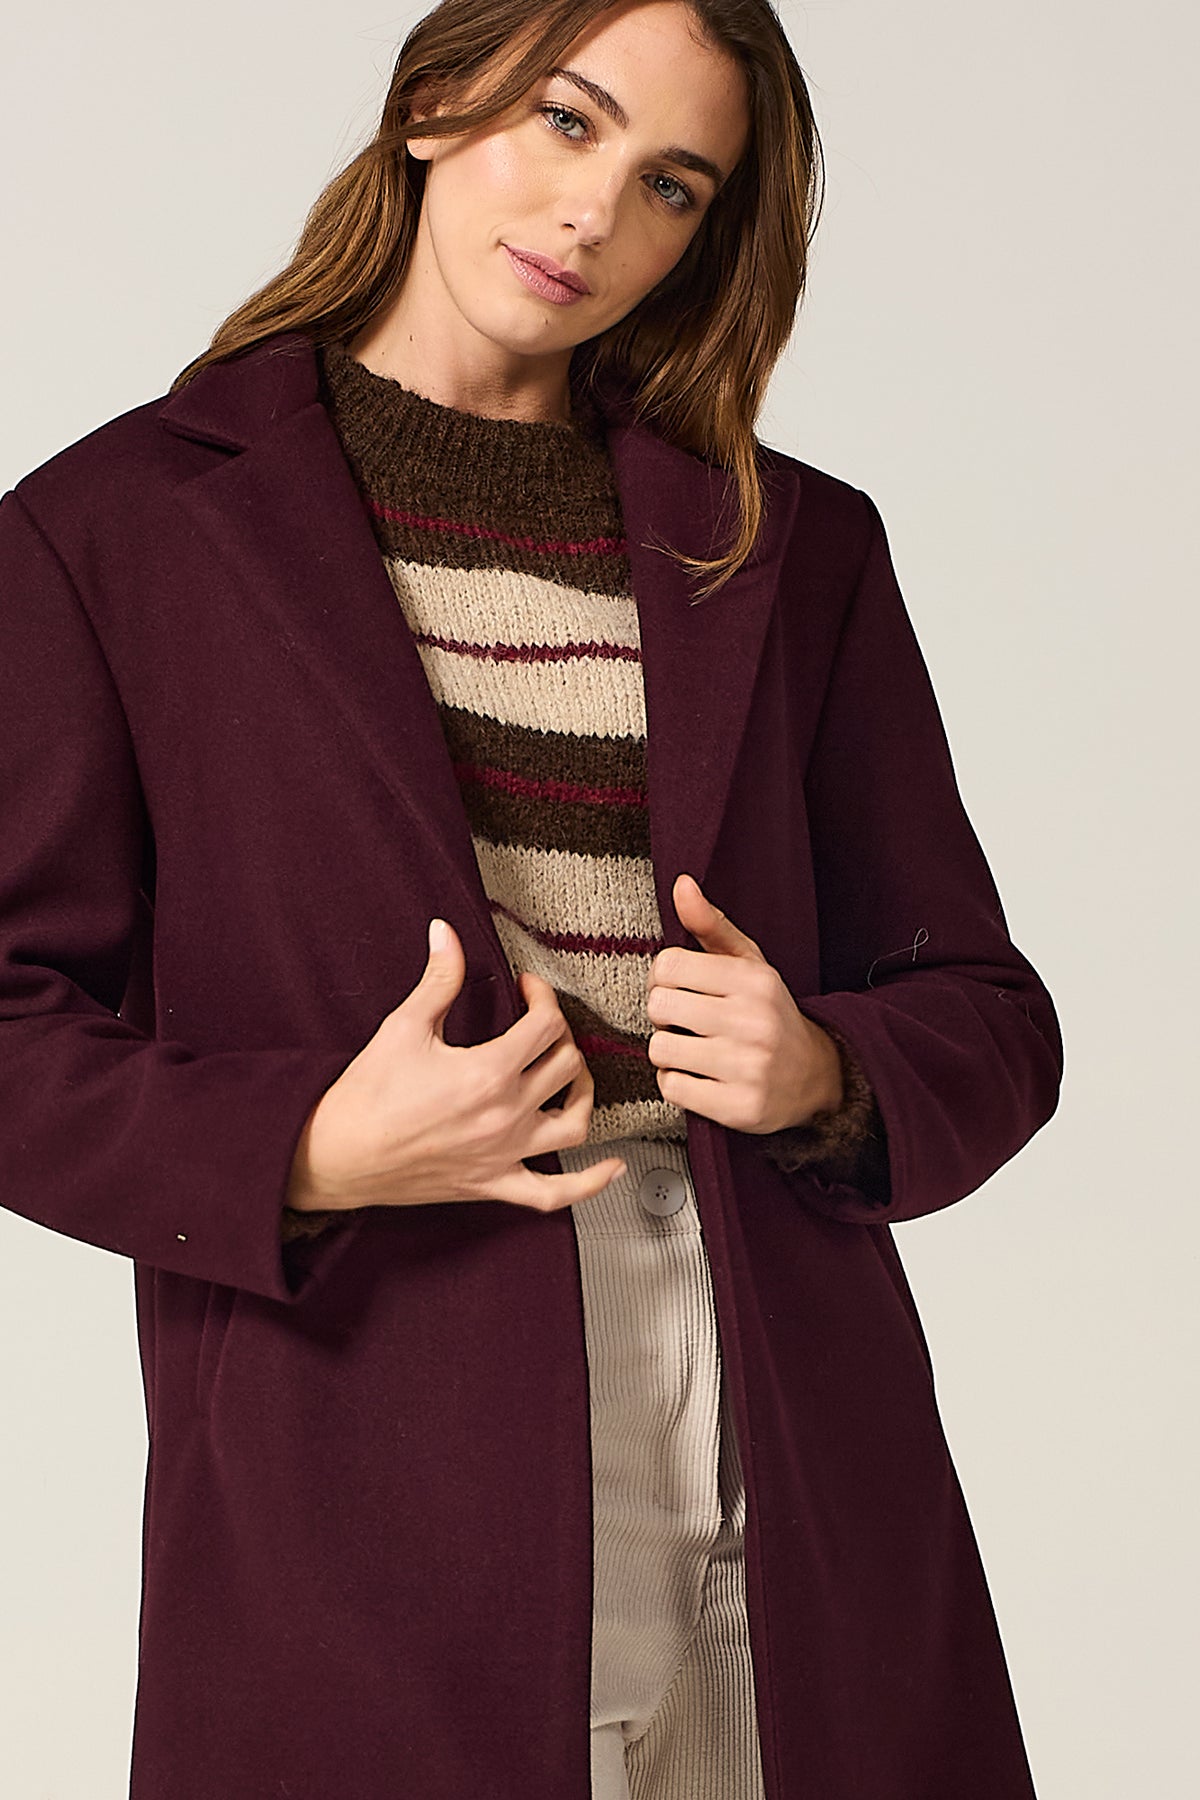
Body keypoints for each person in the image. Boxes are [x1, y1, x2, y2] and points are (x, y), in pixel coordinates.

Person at [0, 2, 1063, 1797]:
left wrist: (825, 1072)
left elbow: (987, 1008)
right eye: (566, 123)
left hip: (787, 1431)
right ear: (436, 102)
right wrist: (311, 1147)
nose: (595, 215)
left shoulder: (789, 544)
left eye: (671, 185)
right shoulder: (117, 532)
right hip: (383, 1448)